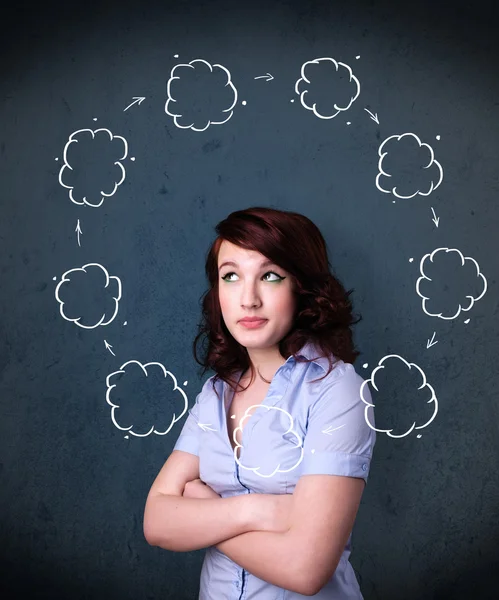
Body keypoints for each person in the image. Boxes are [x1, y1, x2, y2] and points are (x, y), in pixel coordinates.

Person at [143, 206, 376, 598]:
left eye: (269, 276)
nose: (247, 299)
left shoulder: (338, 390)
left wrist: (206, 513)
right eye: (230, 276)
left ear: (301, 286)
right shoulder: (214, 394)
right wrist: (259, 511)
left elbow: (305, 569)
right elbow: (156, 522)